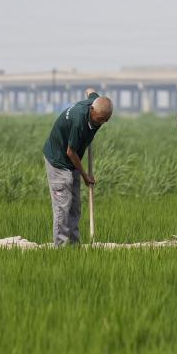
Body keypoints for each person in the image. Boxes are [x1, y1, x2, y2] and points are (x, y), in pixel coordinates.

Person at [42, 88, 113, 246]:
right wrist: (85, 175)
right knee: (63, 205)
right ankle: (61, 247)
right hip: (59, 160)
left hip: (72, 160)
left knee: (74, 204)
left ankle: (74, 244)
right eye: (100, 119)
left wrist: (89, 91)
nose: (101, 123)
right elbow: (70, 152)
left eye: (105, 121)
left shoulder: (94, 103)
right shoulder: (79, 122)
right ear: (92, 109)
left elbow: (91, 91)